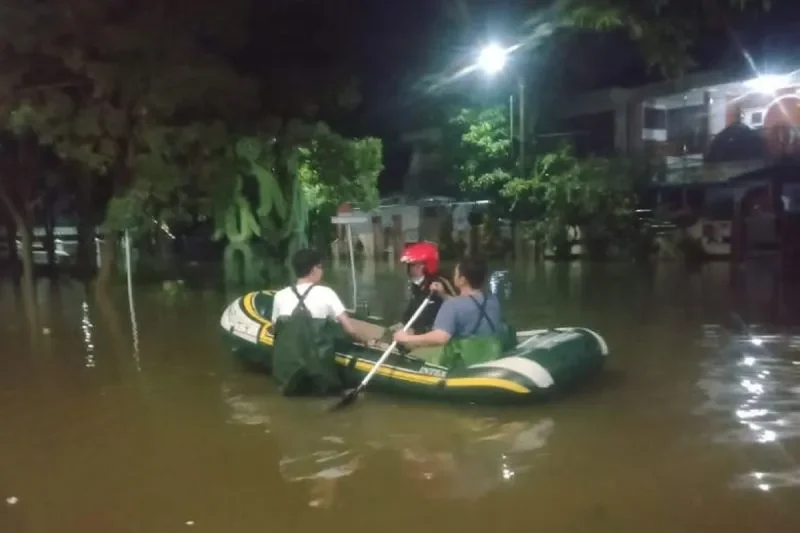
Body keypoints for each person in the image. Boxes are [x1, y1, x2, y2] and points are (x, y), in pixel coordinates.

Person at [271, 249, 375, 395]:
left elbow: (275, 328)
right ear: (314, 269)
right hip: (319, 373)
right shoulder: (326, 293)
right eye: (321, 267)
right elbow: (350, 329)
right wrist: (366, 341)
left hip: (288, 372)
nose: (322, 271)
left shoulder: (280, 296)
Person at [393, 255, 512, 368]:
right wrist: (443, 294)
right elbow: (470, 306)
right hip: (489, 355)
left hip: (464, 362)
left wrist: (406, 338)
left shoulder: (452, 305)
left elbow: (440, 337)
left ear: (462, 280)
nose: (453, 276)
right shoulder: (492, 300)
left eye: (455, 274)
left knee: (411, 349)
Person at [393, 241, 457, 334]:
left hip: (434, 334)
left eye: (413, 265)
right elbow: (412, 310)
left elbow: (458, 307)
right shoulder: (417, 286)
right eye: (409, 266)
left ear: (425, 266)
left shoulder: (441, 283)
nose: (409, 270)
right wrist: (402, 324)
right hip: (417, 331)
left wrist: (443, 294)